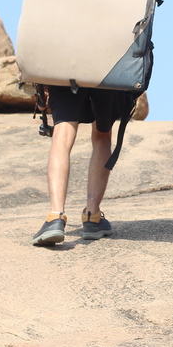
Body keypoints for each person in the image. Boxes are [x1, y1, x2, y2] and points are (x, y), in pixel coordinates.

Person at [30, 86, 136, 246]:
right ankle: (92, 216)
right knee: (102, 134)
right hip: (107, 72)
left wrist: (42, 85)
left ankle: (55, 217)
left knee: (63, 133)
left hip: (67, 70)